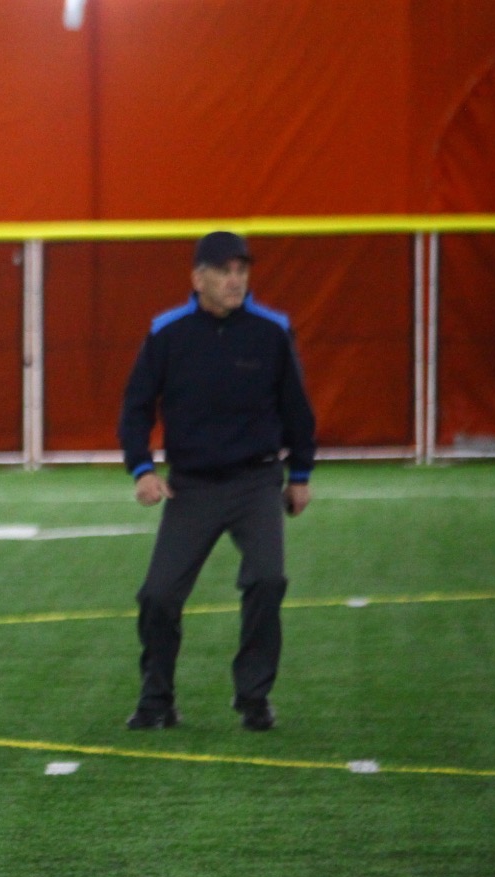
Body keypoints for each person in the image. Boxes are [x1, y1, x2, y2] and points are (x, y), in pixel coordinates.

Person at [119, 231, 317, 733]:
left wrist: (300, 475)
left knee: (268, 579)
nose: (236, 280)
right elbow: (136, 407)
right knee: (158, 595)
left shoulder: (273, 331)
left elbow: (297, 409)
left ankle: (253, 697)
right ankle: (157, 700)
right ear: (197, 278)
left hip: (256, 483)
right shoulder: (167, 333)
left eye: (242, 271)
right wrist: (142, 469)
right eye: (225, 271)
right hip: (193, 486)